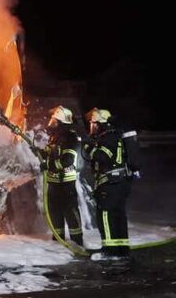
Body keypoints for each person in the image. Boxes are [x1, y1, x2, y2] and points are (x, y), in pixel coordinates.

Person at [83, 107, 131, 260]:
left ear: (100, 124)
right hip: (120, 183)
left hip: (110, 184)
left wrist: (89, 147)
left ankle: (109, 251)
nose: (92, 127)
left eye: (94, 124)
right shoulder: (116, 136)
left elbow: (102, 157)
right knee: (119, 216)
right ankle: (122, 249)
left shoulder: (107, 138)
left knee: (105, 216)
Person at [41, 106, 83, 246]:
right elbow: (49, 155)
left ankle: (77, 241)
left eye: (54, 120)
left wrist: (49, 166)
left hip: (66, 182)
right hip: (53, 183)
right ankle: (58, 241)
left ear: (60, 122)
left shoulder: (70, 137)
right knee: (55, 213)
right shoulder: (54, 137)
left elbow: (68, 161)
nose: (51, 122)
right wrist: (40, 153)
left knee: (70, 212)